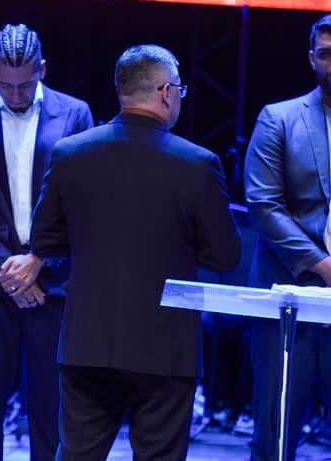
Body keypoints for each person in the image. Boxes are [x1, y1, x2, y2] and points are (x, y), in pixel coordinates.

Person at [22, 45, 240, 459]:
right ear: (165, 92)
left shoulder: (70, 152)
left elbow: (44, 240)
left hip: (88, 342)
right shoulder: (198, 163)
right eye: (179, 90)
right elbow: (225, 256)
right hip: (165, 348)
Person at [0, 23, 93, 461]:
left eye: (25, 85)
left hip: (52, 281)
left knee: (52, 409)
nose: (15, 94)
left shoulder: (76, 114)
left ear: (42, 69)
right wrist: (9, 271)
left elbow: (83, 202)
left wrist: (37, 261)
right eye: (5, 85)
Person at [244, 14, 331, 460]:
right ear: (311, 59)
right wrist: (324, 266)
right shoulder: (279, 118)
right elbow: (263, 204)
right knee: (275, 439)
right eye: (327, 54)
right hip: (291, 298)